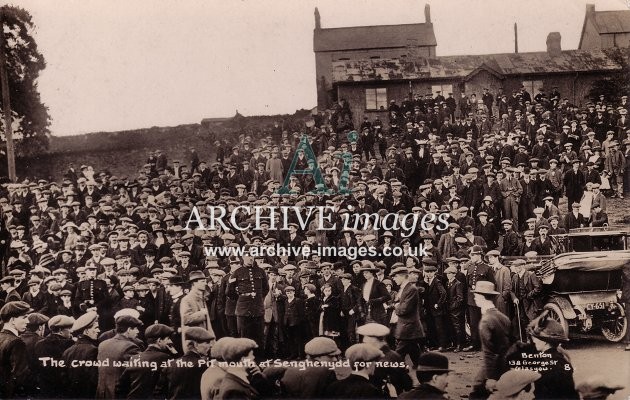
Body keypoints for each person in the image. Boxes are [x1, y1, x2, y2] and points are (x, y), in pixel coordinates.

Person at [471, 281, 512, 399]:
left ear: (481, 297)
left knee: (477, 389)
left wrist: (490, 377)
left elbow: (488, 352)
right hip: (505, 363)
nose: (474, 297)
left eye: (476, 295)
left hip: (492, 366)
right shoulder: (503, 317)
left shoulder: (486, 321)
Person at [116, 324, 176, 398]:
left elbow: (120, 387)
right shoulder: (167, 359)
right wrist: (175, 354)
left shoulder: (135, 358)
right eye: (168, 338)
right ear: (159, 340)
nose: (170, 341)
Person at [357, 322, 413, 396]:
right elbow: (408, 383)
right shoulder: (394, 355)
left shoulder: (379, 362)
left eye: (366, 338)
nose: (364, 340)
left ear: (373, 339)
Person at [96, 315, 143, 399]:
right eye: (135, 328)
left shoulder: (103, 344)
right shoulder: (131, 347)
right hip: (119, 395)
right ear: (128, 330)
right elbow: (136, 374)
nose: (138, 332)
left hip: (102, 394)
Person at [163, 327, 215, 399]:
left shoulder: (170, 365)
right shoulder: (205, 365)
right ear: (195, 345)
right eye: (207, 342)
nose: (210, 345)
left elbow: (160, 392)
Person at [390, 264, 423, 370]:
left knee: (397, 357)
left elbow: (404, 309)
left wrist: (396, 307)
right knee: (415, 354)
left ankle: (396, 376)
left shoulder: (411, 289)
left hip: (408, 328)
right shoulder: (404, 288)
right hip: (408, 327)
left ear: (402, 276)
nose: (394, 279)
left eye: (395, 277)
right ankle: (425, 375)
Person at [34, 314, 75, 398]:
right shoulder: (69, 345)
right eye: (69, 328)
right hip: (64, 390)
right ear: (60, 330)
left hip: (45, 389)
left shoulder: (39, 344)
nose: (71, 331)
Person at [63, 311, 101, 399]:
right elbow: (94, 379)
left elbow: (64, 377)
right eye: (96, 328)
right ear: (87, 331)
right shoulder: (93, 350)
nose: (98, 331)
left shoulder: (68, 351)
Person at [0, 301, 32, 399]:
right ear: (13, 320)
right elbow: (21, 375)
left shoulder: (2, 337)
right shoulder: (17, 342)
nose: (28, 321)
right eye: (24, 317)